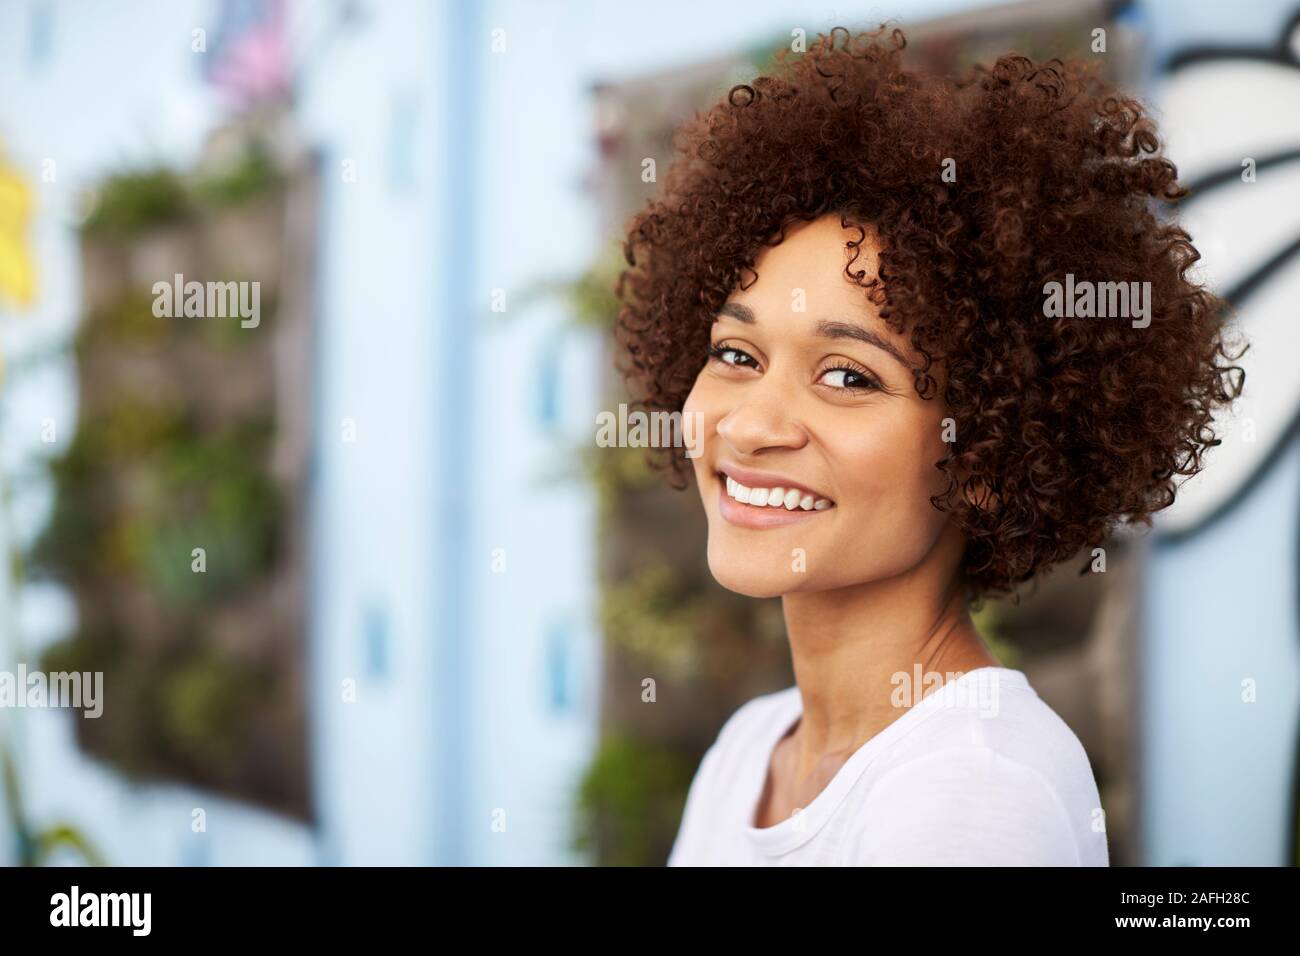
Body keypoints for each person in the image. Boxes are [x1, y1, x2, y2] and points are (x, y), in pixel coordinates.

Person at [613, 26, 1244, 865]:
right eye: (736, 355)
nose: (753, 424)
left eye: (848, 377)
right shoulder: (749, 751)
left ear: (987, 459)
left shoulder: (972, 795)